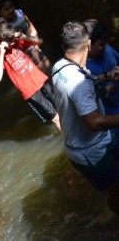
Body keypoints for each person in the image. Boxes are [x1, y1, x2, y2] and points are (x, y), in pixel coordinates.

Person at [51, 21, 119, 215]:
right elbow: (94, 122)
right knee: (115, 191)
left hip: (83, 146)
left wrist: (106, 76)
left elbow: (84, 86)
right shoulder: (77, 82)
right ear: (88, 44)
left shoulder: (60, 66)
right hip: (92, 151)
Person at [0, 17, 61, 133]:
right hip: (31, 92)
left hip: (41, 79)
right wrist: (3, 52)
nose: (11, 42)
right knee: (55, 118)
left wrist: (25, 37)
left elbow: (40, 41)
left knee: (62, 108)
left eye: (12, 38)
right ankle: (73, 144)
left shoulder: (17, 42)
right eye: (8, 41)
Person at [0, 0, 52, 75]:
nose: (11, 10)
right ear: (0, 11)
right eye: (7, 9)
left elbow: (33, 30)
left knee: (49, 72)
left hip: (32, 47)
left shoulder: (20, 13)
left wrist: (36, 49)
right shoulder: (1, 27)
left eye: (12, 6)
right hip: (20, 60)